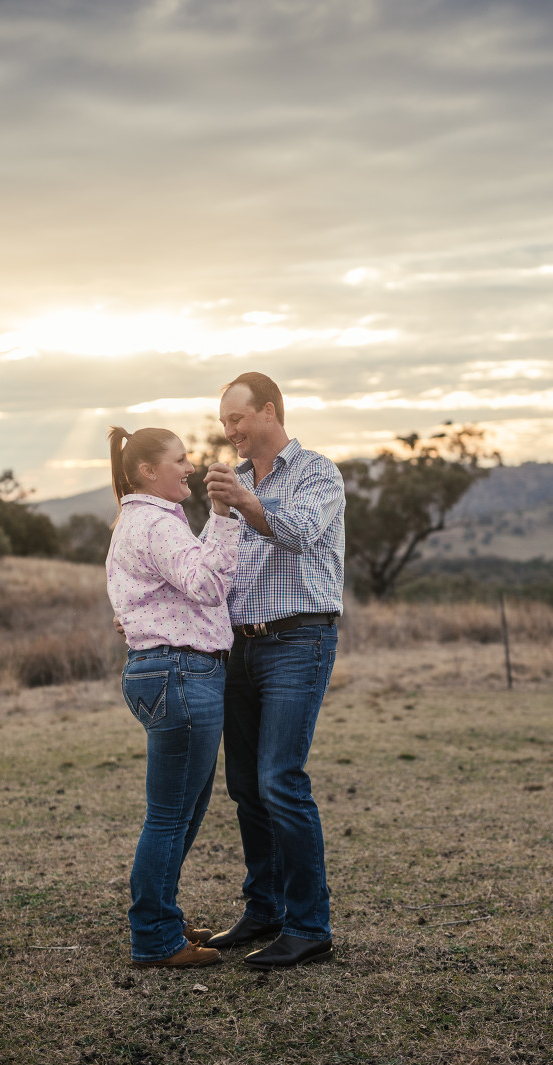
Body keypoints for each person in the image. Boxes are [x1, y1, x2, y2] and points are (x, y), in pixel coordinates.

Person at [201, 372, 345, 970]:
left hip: (298, 640)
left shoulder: (318, 473)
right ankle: (264, 910)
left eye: (236, 419)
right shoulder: (235, 484)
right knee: (245, 786)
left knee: (281, 780)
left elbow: (301, 533)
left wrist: (243, 502)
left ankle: (310, 928)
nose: (229, 431)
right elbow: (210, 565)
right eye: (224, 422)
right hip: (239, 646)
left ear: (268, 411)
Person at [105, 425, 242, 968]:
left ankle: (162, 915)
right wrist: (224, 516)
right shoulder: (157, 523)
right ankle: (155, 938)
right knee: (169, 816)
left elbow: (161, 590)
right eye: (180, 460)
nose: (190, 467)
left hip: (164, 672)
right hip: (181, 673)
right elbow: (207, 585)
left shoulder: (138, 520)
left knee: (182, 811)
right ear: (147, 471)